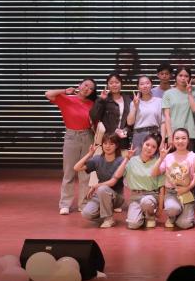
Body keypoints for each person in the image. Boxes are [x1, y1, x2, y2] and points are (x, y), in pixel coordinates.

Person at [45, 79, 97, 215]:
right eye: (85, 85)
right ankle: (65, 204)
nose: (87, 89)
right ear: (80, 85)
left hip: (88, 136)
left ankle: (83, 204)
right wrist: (65, 91)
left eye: (91, 88)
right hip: (71, 136)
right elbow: (48, 94)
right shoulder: (67, 99)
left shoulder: (92, 104)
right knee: (69, 172)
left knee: (85, 172)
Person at [154, 128, 195, 230]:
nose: (180, 141)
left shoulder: (193, 156)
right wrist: (161, 158)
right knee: (172, 209)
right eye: (177, 138)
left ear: (188, 140)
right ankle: (172, 216)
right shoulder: (168, 157)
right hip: (172, 193)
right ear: (173, 140)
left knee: (185, 224)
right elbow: (155, 173)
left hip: (188, 192)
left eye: (183, 138)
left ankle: (181, 214)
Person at [76, 134, 127, 228]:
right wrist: (89, 154)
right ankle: (106, 217)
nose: (107, 146)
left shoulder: (121, 160)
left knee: (103, 189)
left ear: (116, 146)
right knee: (86, 213)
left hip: (116, 196)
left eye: (111, 144)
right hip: (100, 193)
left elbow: (112, 182)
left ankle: (109, 219)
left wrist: (96, 185)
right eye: (105, 143)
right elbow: (76, 168)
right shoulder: (97, 159)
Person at [124, 135, 164, 230]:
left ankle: (150, 216)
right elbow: (120, 176)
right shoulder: (132, 160)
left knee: (146, 202)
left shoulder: (157, 163)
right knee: (133, 225)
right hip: (135, 197)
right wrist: (127, 159)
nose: (149, 148)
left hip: (150, 196)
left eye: (153, 147)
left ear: (156, 150)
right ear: (142, 144)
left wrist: (160, 208)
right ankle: (142, 215)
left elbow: (162, 187)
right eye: (147, 144)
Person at [162, 67, 195, 152]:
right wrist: (170, 135)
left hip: (190, 134)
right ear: (176, 77)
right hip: (173, 134)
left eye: (186, 76)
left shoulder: (194, 92)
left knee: (190, 160)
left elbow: (194, 109)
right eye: (180, 75)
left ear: (190, 78)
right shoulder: (168, 93)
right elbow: (167, 116)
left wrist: (189, 93)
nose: (183, 78)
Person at [90, 73, 134, 148]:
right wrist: (101, 100)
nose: (114, 85)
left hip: (123, 140)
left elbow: (132, 122)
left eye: (117, 82)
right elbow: (94, 117)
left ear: (121, 84)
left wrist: (125, 131)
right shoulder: (104, 99)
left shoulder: (128, 100)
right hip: (107, 140)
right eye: (111, 83)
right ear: (107, 85)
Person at [127, 75, 164, 151]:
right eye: (142, 84)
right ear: (138, 87)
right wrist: (135, 106)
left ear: (151, 85)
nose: (145, 86)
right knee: (137, 158)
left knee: (154, 158)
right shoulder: (134, 102)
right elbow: (130, 122)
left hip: (155, 135)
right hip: (139, 135)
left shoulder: (159, 101)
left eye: (147, 83)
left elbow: (163, 122)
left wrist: (163, 140)